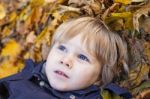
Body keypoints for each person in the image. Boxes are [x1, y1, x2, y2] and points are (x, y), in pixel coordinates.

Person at [0, 17, 132, 99]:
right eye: (62, 49)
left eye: (82, 57)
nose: (65, 61)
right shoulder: (19, 82)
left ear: (99, 77)